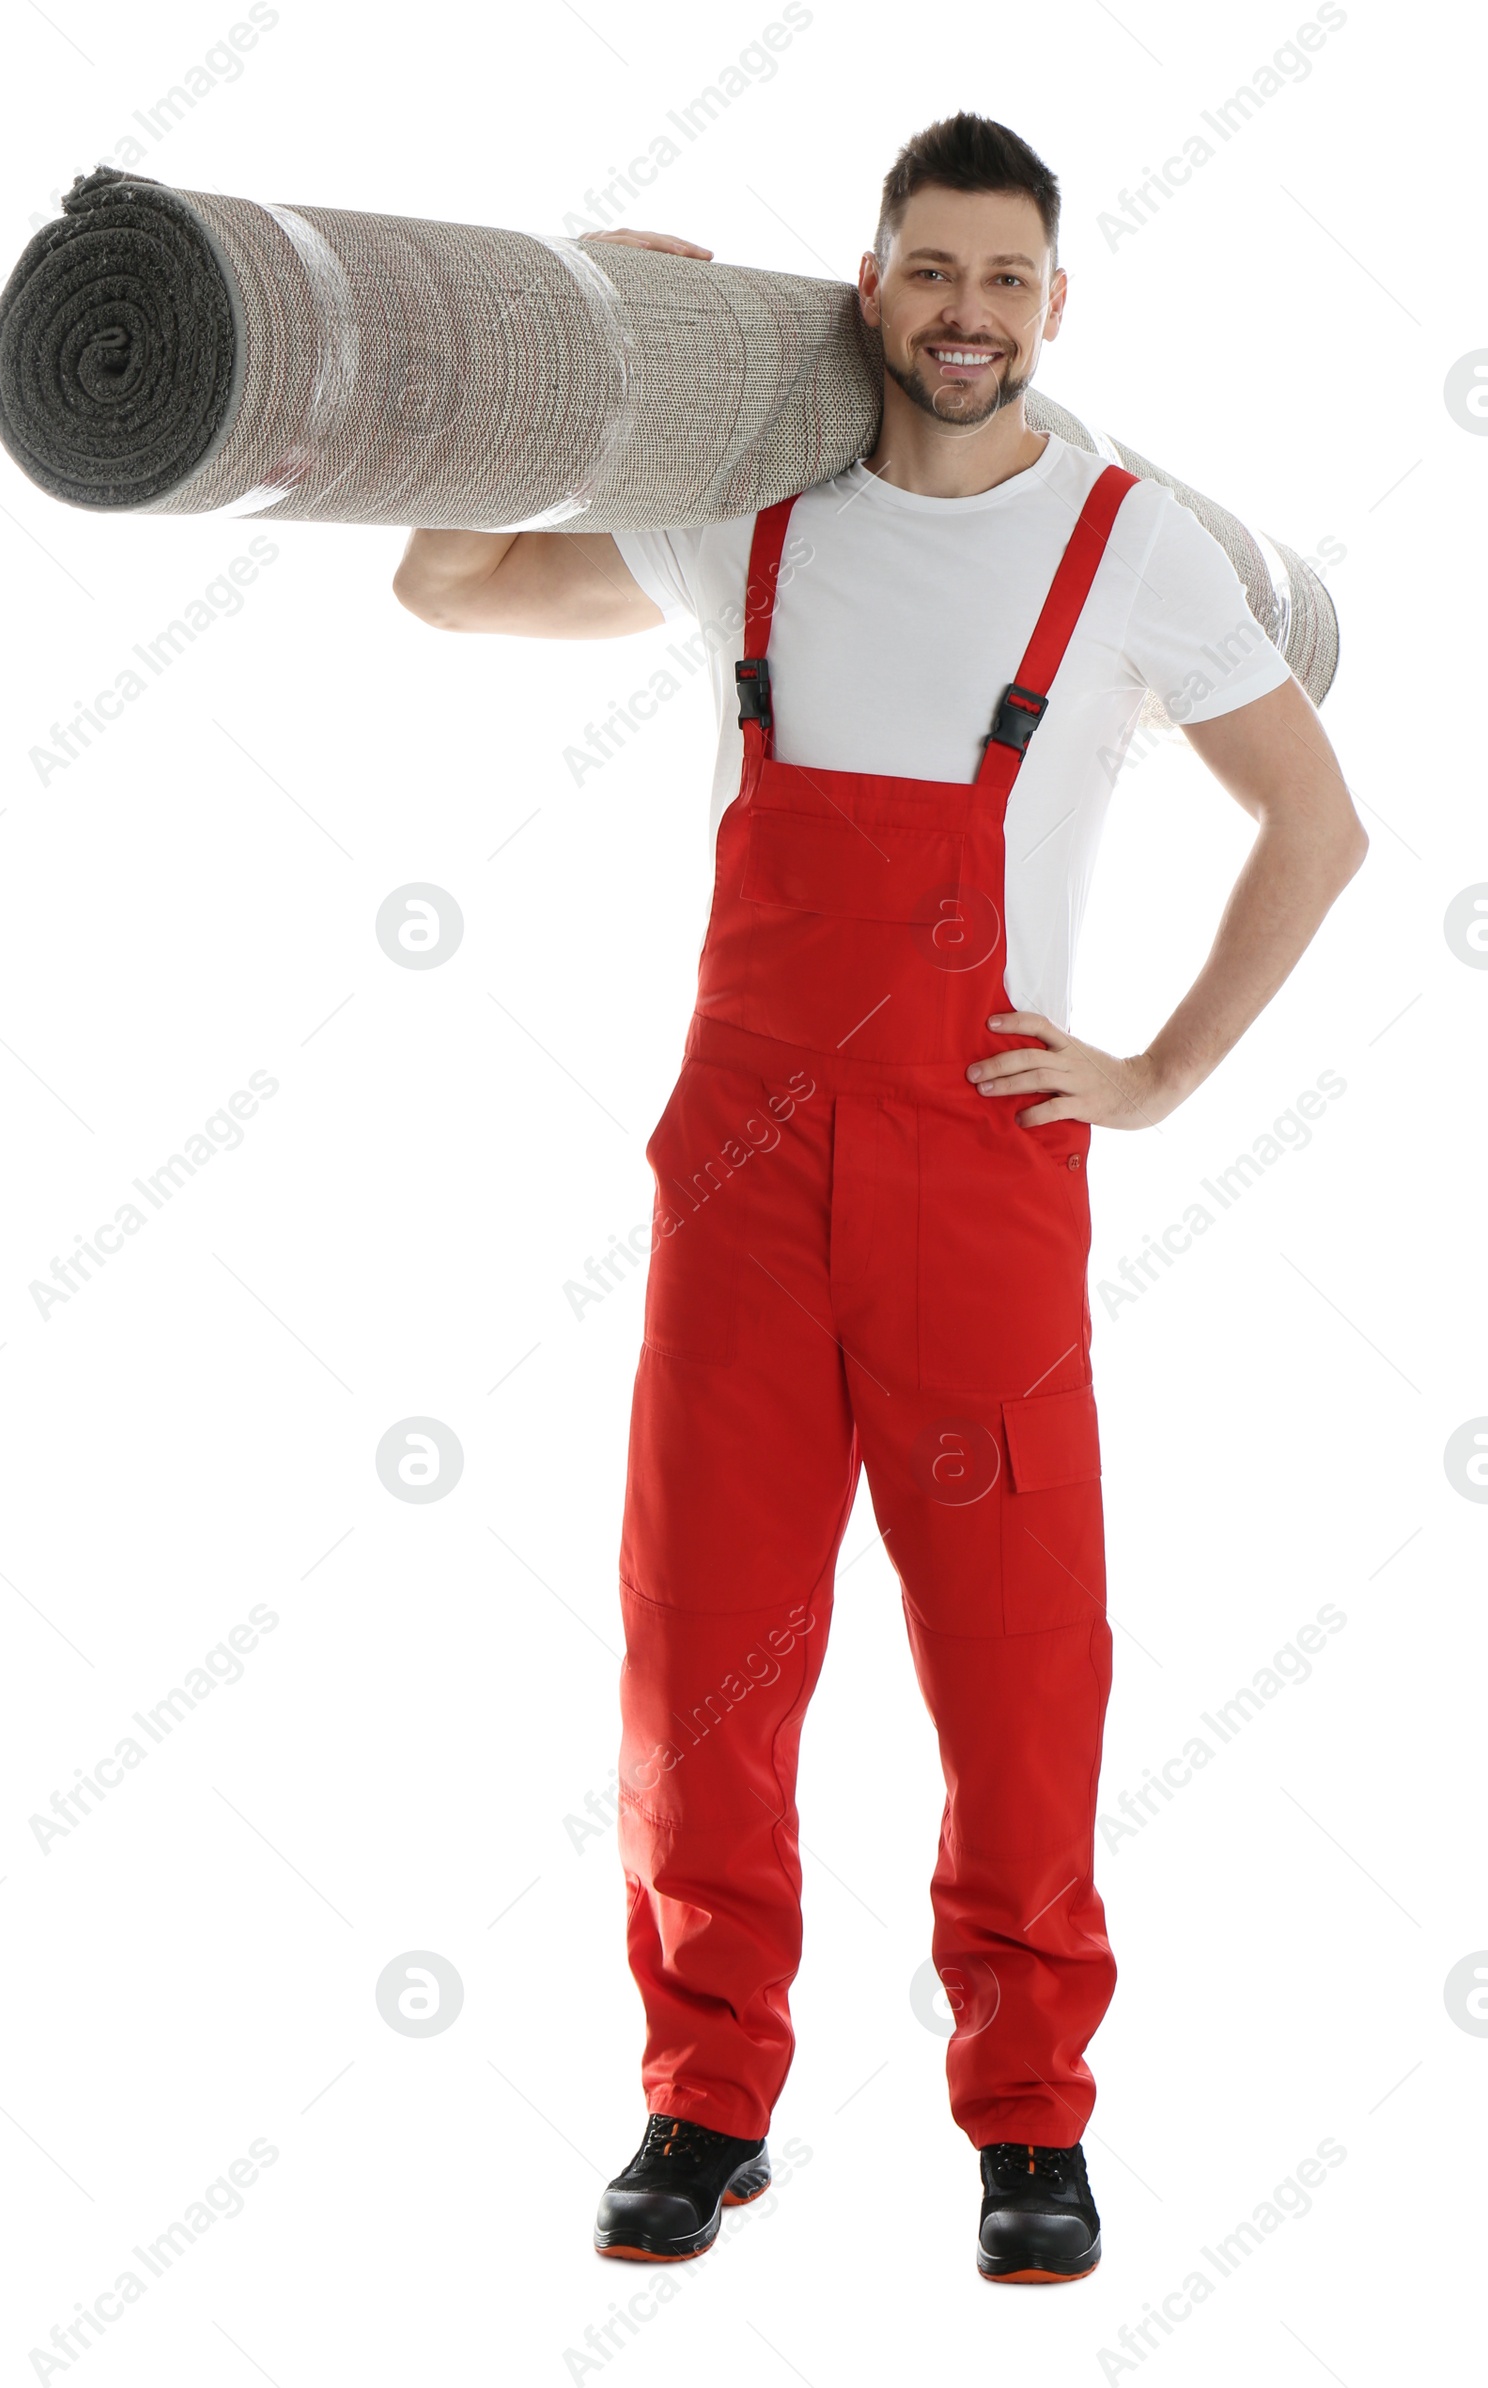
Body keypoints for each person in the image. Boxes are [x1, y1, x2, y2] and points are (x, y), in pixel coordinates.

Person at [393, 112, 1366, 2284]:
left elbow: (1315, 823)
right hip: (736, 1172)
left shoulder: (1123, 544)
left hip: (977, 1175)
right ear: (868, 283)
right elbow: (443, 579)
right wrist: (580, 337)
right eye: (928, 272)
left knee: (1018, 1665)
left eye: (1002, 280)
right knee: (698, 1654)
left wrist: (1150, 1075)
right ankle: (700, 2094)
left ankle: (1029, 2119)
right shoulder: (742, 514)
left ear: (1050, 304)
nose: (963, 314)